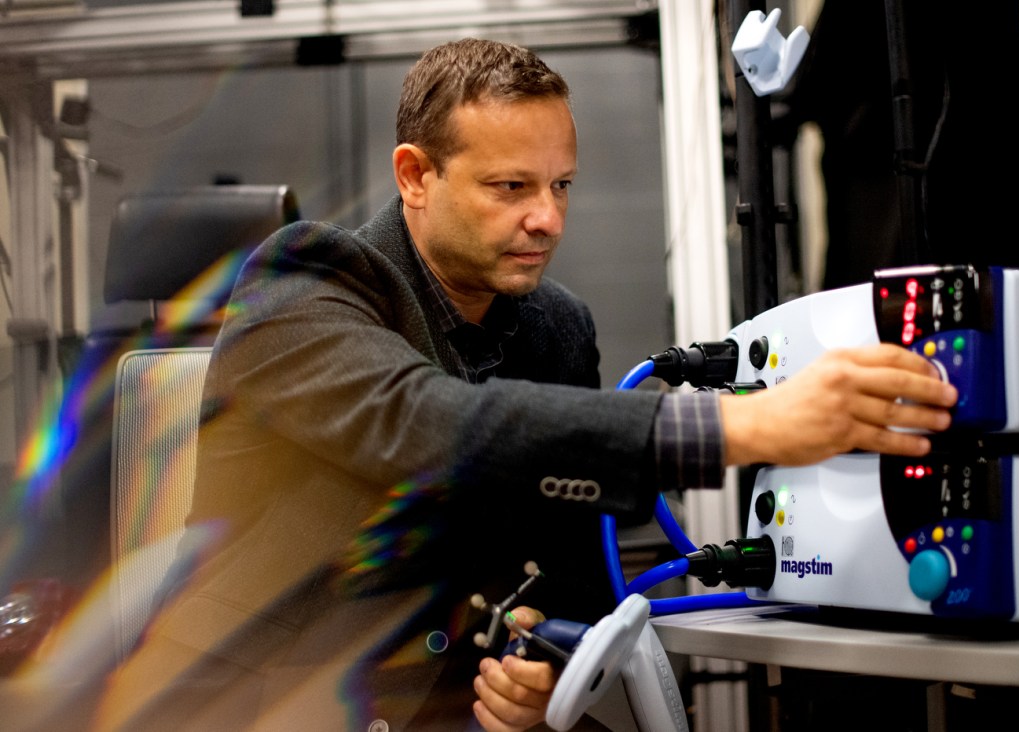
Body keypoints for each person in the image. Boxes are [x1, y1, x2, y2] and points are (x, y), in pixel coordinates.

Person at [97, 38, 956, 731]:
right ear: (415, 176)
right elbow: (429, 424)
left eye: (560, 185)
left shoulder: (555, 326)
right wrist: (742, 430)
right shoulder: (304, 283)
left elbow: (570, 580)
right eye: (510, 187)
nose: (547, 217)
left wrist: (545, 673)